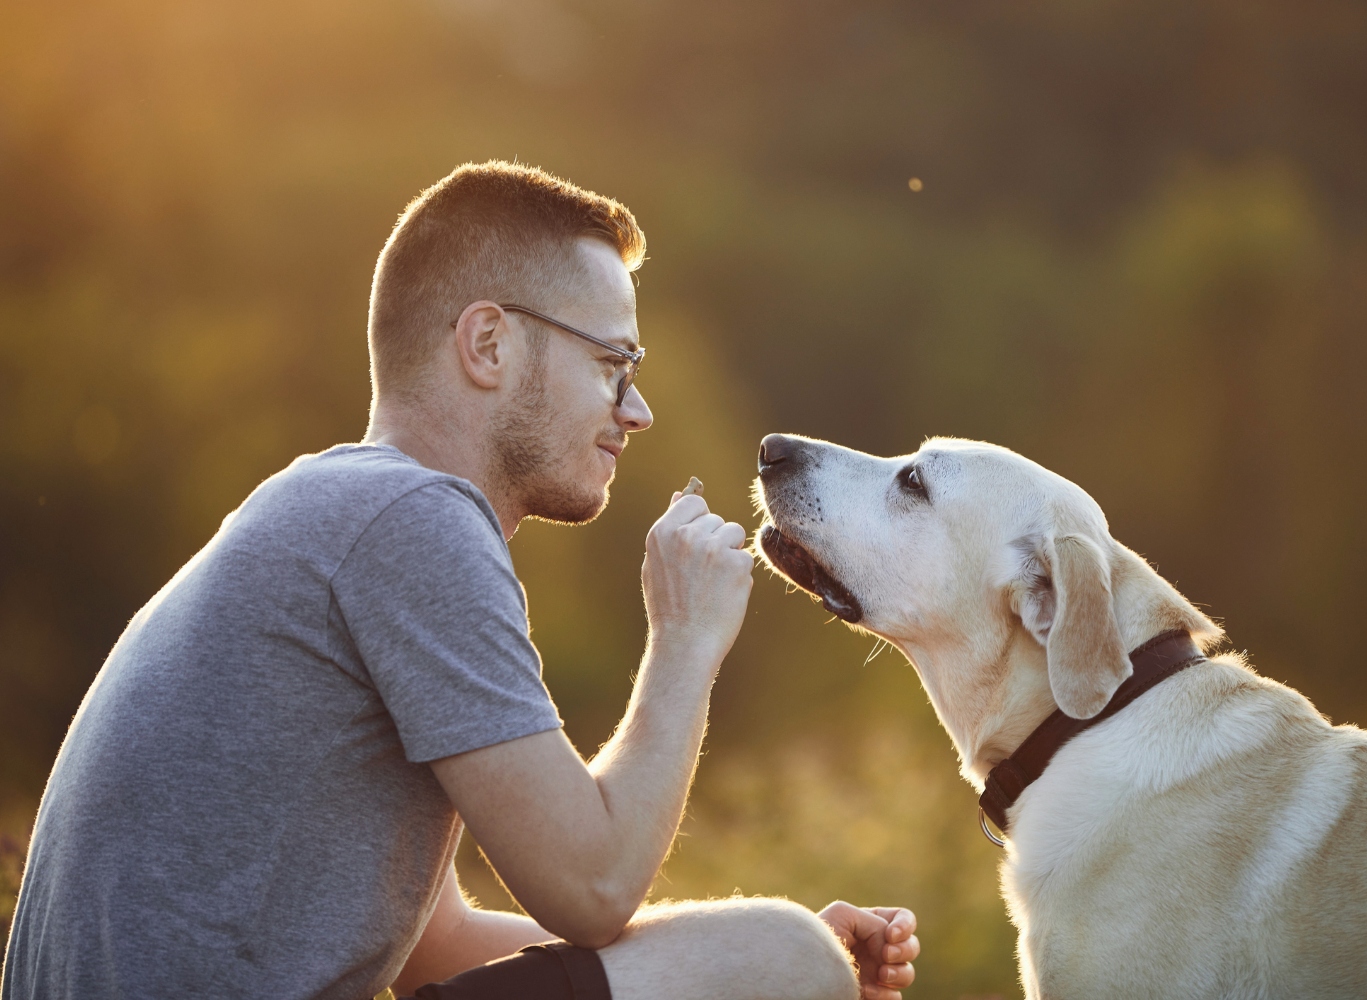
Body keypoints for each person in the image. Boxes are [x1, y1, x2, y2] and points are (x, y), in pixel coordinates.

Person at [1, 162, 920, 1000]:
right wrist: (684, 639)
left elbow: (436, 943)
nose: (637, 411)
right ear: (487, 345)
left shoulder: (338, 511)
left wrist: (709, 962)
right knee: (781, 958)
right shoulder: (413, 520)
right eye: (613, 364)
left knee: (776, 956)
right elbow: (592, 888)